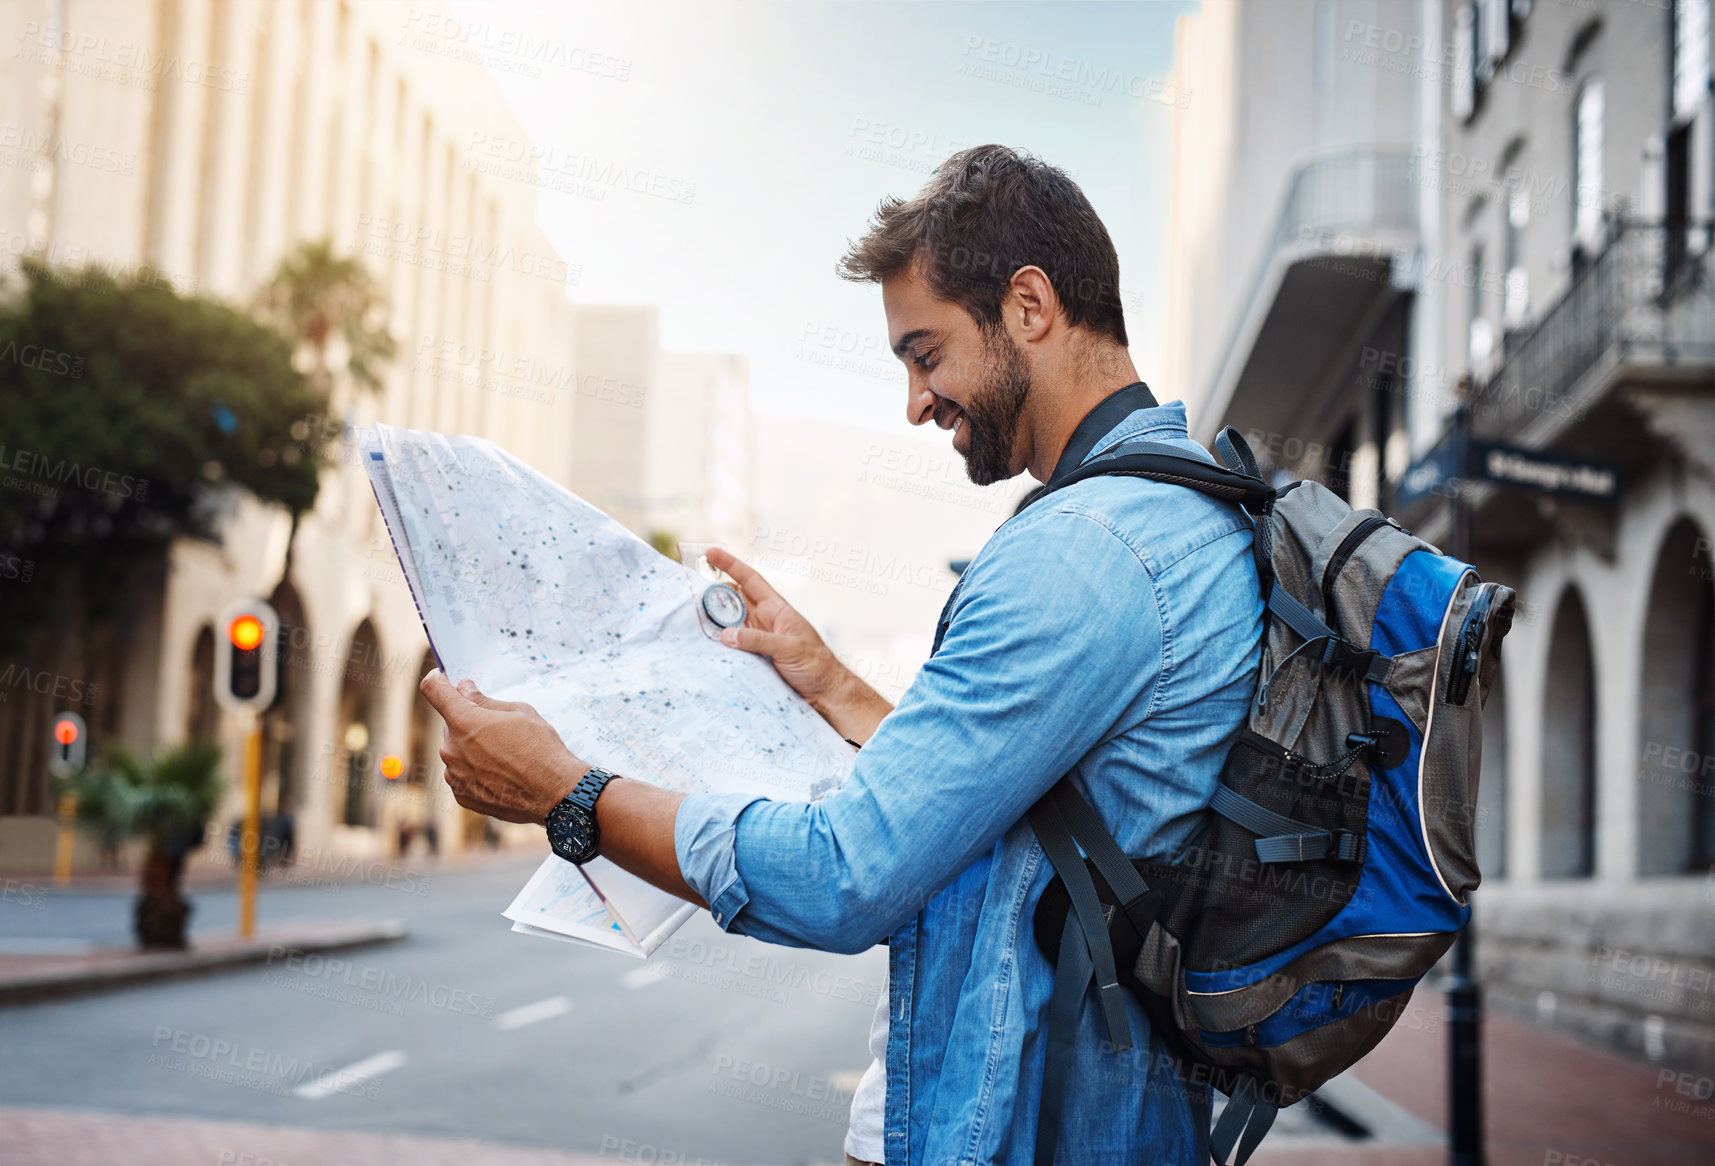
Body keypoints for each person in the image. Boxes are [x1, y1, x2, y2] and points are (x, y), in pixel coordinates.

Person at [421, 144, 1262, 1165]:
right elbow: (1023, 807)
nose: (916, 401)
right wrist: (827, 678)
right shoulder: (1180, 511)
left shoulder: (1084, 551)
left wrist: (570, 791)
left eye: (925, 352)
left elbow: (844, 873)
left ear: (1029, 305)